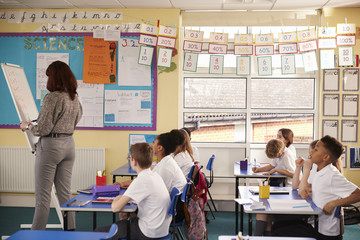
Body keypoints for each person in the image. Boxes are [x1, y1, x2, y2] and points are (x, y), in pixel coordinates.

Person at [19, 61, 82, 230]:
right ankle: (71, 231)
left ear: (53, 78)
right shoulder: (74, 97)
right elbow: (78, 118)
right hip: (69, 145)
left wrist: (28, 126)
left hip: (51, 146)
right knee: (65, 194)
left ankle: (36, 234)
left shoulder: (52, 97)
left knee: (43, 197)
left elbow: (43, 129)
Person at [95, 143, 172, 239]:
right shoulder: (154, 175)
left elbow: (115, 208)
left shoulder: (141, 180)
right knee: (124, 216)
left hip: (149, 231)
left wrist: (118, 198)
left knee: (98, 231)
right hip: (161, 229)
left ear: (134, 161)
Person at [298, 135, 360, 240]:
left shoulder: (332, 175)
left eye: (316, 149)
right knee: (281, 226)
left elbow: (358, 194)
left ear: (325, 157)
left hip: (327, 231)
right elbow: (317, 187)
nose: (312, 151)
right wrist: (307, 191)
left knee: (280, 230)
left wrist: (333, 204)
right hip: (315, 223)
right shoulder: (317, 169)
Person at [252, 139, 296, 236]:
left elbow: (294, 174)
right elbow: (271, 165)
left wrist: (277, 170)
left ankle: (257, 237)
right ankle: (267, 236)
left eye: (276, 156)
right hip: (282, 187)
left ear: (280, 152)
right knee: (265, 210)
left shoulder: (287, 156)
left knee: (264, 211)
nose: (276, 158)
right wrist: (258, 170)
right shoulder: (279, 152)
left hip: (290, 188)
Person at [152, 129, 187, 222]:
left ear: (160, 148)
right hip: (172, 205)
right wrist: (124, 184)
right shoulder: (165, 161)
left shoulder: (166, 167)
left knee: (129, 211)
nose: (151, 145)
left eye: (154, 142)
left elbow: (160, 195)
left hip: (172, 212)